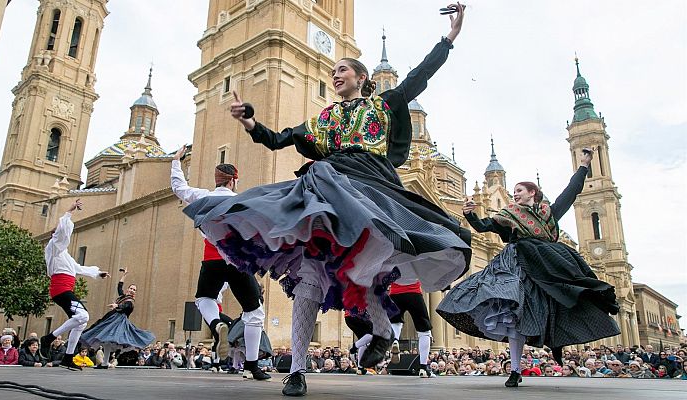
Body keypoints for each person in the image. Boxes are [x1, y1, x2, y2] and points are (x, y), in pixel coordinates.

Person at [183, 4, 470, 396]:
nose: (335, 76)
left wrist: (449, 38)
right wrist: (249, 120)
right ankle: (297, 370)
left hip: (370, 190)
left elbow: (420, 76)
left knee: (360, 271)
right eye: (333, 72)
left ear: (362, 77)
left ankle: (383, 331)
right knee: (310, 278)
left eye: (342, 71)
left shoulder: (382, 106)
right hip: (327, 188)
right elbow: (278, 138)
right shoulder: (325, 118)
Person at [436, 148, 621, 388]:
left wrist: (584, 165)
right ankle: (514, 369)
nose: (515, 196)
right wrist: (470, 215)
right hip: (517, 265)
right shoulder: (509, 216)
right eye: (513, 193)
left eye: (519, 191)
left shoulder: (549, 214)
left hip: (548, 265)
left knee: (556, 307)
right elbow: (483, 226)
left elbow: (571, 192)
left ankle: (556, 342)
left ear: (532, 192)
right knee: (514, 316)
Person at [171, 150, 270, 381]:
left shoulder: (203, 197)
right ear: (234, 180)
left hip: (211, 259)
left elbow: (179, 187)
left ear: (216, 179)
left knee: (204, 298)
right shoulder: (241, 200)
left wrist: (176, 162)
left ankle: (216, 324)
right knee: (254, 313)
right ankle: (252, 367)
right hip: (238, 261)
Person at [38, 199, 110, 371]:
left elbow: (77, 268)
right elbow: (61, 235)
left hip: (64, 290)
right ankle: (48, 338)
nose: (59, 234)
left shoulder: (65, 255)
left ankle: (68, 358)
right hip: (60, 290)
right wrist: (69, 212)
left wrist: (97, 273)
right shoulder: (53, 249)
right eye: (56, 233)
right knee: (84, 316)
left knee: (81, 322)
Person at [79, 267, 155, 369]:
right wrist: (124, 275)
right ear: (128, 289)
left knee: (109, 340)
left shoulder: (130, 301)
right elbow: (119, 287)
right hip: (111, 318)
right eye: (131, 288)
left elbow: (126, 307)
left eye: (134, 290)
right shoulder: (123, 297)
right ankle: (105, 362)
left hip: (118, 322)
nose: (132, 290)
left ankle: (106, 361)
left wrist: (117, 306)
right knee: (106, 342)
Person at [388, 280, 434, 378]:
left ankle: (395, 340)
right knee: (424, 331)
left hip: (394, 294)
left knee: (395, 322)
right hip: (414, 293)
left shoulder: (392, 263)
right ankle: (423, 368)